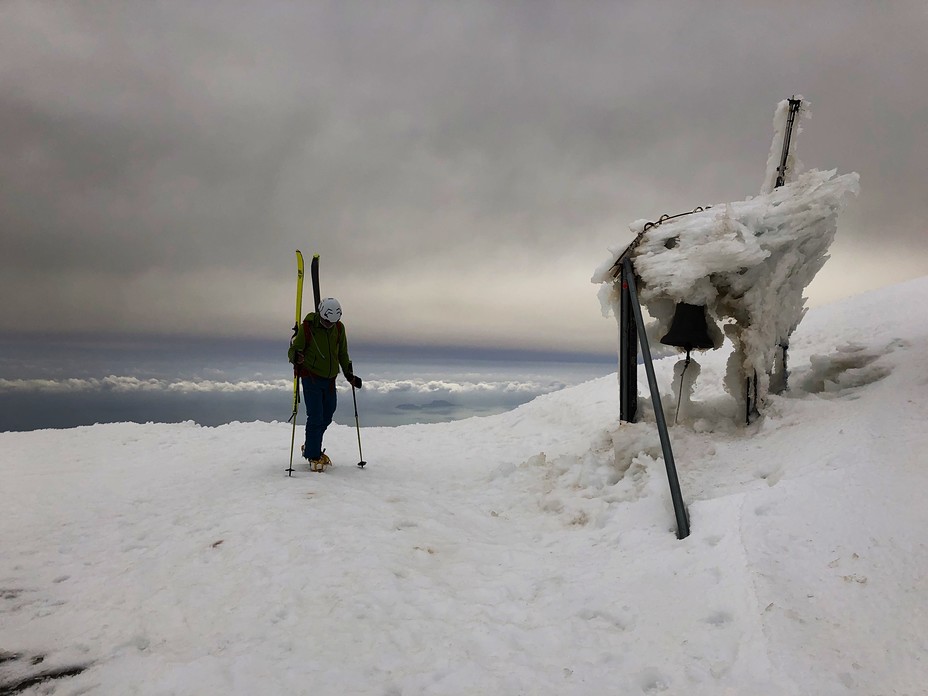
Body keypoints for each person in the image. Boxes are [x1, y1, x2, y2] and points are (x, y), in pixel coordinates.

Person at [288, 297, 362, 472]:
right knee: (316, 416)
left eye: (333, 322)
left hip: (329, 379)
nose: (330, 325)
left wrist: (349, 375)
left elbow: (342, 353)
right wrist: (296, 357)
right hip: (311, 377)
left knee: (328, 413)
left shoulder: (338, 327)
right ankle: (313, 455)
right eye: (327, 322)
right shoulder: (308, 327)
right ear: (321, 315)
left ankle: (310, 445)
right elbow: (293, 350)